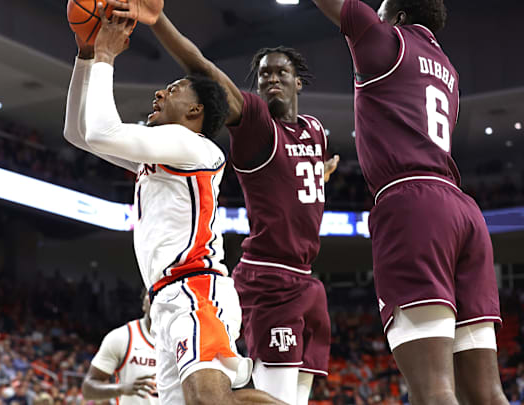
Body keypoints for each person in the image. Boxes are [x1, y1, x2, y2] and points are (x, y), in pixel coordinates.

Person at [105, 2, 339, 403]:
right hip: (270, 278)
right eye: (263, 74)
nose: (271, 80)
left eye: (281, 72)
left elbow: (292, 183)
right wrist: (158, 20)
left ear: (299, 82)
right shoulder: (254, 123)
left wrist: (318, 176)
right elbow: (202, 67)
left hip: (307, 278)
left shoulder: (314, 129)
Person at [63, 8, 285, 405]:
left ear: (195, 112)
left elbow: (100, 130)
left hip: (196, 288)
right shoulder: (165, 152)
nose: (160, 93)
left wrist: (106, 56)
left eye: (174, 88)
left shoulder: (191, 146)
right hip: (168, 298)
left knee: (208, 400)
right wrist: (84, 54)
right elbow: (79, 134)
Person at [307, 1, 506, 404]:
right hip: (462, 208)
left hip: (413, 205)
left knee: (433, 391)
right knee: (487, 394)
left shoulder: (385, 39)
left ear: (395, 15)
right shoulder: (447, 68)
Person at [82, 290, 158, 404]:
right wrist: (121, 388)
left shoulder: (185, 339)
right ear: (143, 303)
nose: (154, 297)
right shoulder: (122, 337)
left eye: (159, 293)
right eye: (150, 293)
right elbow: (87, 389)